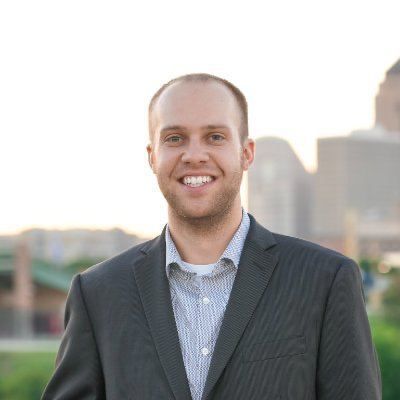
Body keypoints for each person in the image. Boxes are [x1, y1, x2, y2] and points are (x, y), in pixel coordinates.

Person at [42, 74, 381, 400]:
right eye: (174, 138)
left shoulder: (325, 280)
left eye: (215, 136)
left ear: (246, 153)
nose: (194, 155)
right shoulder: (98, 293)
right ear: (152, 157)